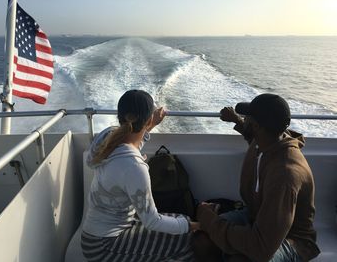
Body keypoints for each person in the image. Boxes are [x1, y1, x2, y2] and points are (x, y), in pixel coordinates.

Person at [196, 93, 320, 262]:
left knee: (239, 259)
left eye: (247, 117)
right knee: (202, 238)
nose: (243, 118)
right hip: (258, 216)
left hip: (293, 240)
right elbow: (252, 137)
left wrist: (208, 218)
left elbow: (260, 248)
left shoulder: (284, 175)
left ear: (256, 126)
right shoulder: (269, 139)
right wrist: (237, 120)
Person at [81, 89, 199, 262]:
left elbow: (130, 141)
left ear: (120, 116)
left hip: (94, 235)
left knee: (182, 220)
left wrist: (150, 125)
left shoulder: (108, 136)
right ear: (148, 118)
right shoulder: (135, 166)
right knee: (188, 240)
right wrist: (197, 226)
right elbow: (152, 221)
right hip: (103, 247)